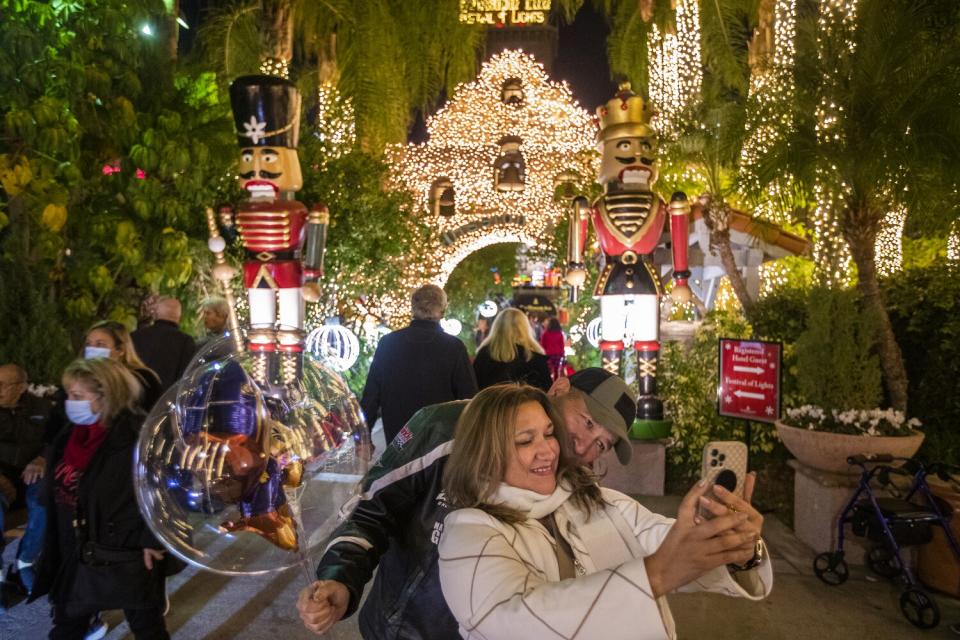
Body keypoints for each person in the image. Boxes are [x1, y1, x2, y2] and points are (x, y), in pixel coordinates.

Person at [297, 368, 637, 639]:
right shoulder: (444, 428)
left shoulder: (576, 495)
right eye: (588, 422)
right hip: (405, 628)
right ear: (560, 389)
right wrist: (340, 578)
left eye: (601, 445)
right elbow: (372, 510)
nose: (584, 446)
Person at [438, 384, 772, 639]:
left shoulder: (595, 500)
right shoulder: (468, 531)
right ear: (485, 452)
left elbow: (668, 541)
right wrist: (655, 575)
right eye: (526, 440)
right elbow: (511, 619)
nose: (549, 451)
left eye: (549, 434)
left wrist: (736, 546)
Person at [29, 358, 171, 640]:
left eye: (78, 396)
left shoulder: (137, 435)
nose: (70, 402)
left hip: (123, 547)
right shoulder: (73, 432)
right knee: (68, 622)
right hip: (75, 544)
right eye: (69, 394)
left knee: (146, 624)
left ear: (107, 396)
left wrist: (151, 539)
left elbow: (163, 489)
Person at [360, 284, 477, 444]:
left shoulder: (388, 343)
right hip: (439, 442)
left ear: (413, 308)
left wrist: (363, 438)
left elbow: (372, 394)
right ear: (442, 310)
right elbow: (468, 397)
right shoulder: (453, 347)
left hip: (399, 440)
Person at [0, 364, 52, 604]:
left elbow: (56, 439)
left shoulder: (41, 407)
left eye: (3, 384)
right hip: (2, 479)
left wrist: (43, 459)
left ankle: (26, 561)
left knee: (42, 500)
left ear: (21, 387)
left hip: (33, 473)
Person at [84, 321, 163, 412]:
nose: (92, 349)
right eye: (88, 344)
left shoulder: (144, 379)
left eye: (100, 344)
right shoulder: (80, 376)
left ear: (120, 350)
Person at [472, 308, 552, 391]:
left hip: (489, 403)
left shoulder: (484, 355)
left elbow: (473, 386)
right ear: (525, 328)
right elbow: (547, 392)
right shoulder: (535, 358)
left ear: (497, 328)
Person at [130, 297, 196, 393]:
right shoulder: (186, 342)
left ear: (156, 313)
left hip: (136, 395)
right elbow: (185, 376)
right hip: (165, 400)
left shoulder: (135, 336)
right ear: (179, 316)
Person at [539, 316, 566, 380]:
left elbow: (543, 344)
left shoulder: (545, 334)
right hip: (558, 354)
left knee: (548, 370)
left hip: (548, 354)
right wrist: (563, 354)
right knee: (557, 371)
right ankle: (555, 383)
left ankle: (548, 383)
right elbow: (562, 345)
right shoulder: (560, 334)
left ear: (550, 324)